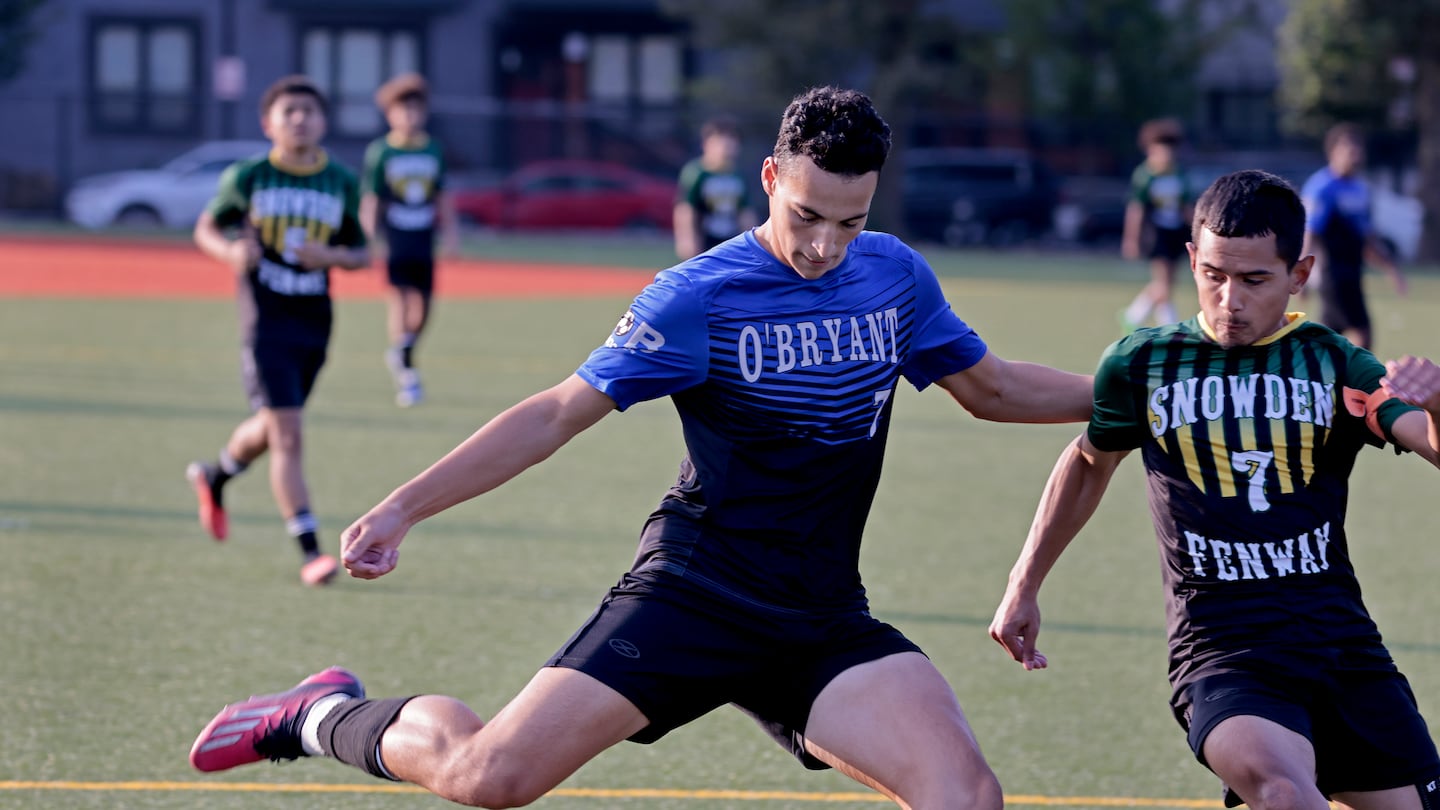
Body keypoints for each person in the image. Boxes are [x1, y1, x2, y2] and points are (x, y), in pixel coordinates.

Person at [188, 86, 1094, 809]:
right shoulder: (697, 295)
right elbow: (554, 414)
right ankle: (319, 714)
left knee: (965, 796)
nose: (824, 246)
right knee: (489, 776)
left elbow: (997, 389)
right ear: (772, 178)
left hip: (820, 612)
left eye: (849, 222)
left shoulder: (894, 275)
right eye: (809, 214)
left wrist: (1135, 395)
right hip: (695, 591)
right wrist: (403, 505)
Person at [990, 169, 1440, 810]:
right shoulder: (1142, 364)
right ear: (1191, 261)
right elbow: (1090, 462)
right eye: (1214, 275)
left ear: (1299, 274)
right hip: (1225, 654)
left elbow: (1427, 441)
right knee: (1285, 792)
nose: (1230, 298)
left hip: (1343, 650)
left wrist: (1438, 402)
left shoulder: (1334, 361)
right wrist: (1022, 585)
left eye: (1255, 280)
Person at [185, 75, 369, 586]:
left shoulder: (340, 180)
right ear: (268, 123)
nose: (300, 119)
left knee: (271, 428)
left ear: (323, 121)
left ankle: (214, 474)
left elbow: (361, 252)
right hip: (264, 319)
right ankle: (309, 550)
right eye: (289, 111)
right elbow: (206, 228)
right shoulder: (249, 176)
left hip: (314, 320)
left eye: (309, 110)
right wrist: (228, 251)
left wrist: (329, 255)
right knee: (287, 432)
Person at [361, 72, 459, 408]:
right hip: (396, 236)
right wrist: (368, 237)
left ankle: (404, 347)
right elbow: (373, 198)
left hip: (424, 236)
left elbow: (442, 196)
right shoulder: (381, 152)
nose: (409, 116)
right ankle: (406, 371)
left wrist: (451, 234)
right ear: (390, 114)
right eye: (402, 110)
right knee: (400, 299)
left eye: (416, 109)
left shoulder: (433, 149)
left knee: (426, 304)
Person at [1300, 123, 1407, 351]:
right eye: (1350, 148)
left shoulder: (1360, 189)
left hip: (1354, 273)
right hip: (1332, 274)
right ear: (1333, 152)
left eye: (1359, 148)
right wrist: (1303, 275)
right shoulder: (1322, 188)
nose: (1356, 154)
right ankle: (1354, 384)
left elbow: (1367, 237)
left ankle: (1315, 373)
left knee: (1332, 335)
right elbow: (1310, 234)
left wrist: (1391, 269)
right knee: (1362, 334)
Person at [1119, 117, 1195, 333]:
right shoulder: (1145, 176)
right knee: (1163, 282)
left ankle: (1133, 316)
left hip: (1176, 232)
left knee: (1168, 282)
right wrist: (1131, 239)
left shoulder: (1179, 174)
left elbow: (1186, 206)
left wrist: (1199, 231)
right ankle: (1170, 327)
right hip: (1157, 232)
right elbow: (1136, 209)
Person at [673, 115, 757, 260]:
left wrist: (753, 241)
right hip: (705, 238)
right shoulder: (697, 173)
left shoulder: (737, 176)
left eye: (731, 142)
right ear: (707, 144)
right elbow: (686, 208)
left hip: (730, 237)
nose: (727, 148)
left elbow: (744, 211)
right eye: (720, 142)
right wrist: (687, 239)